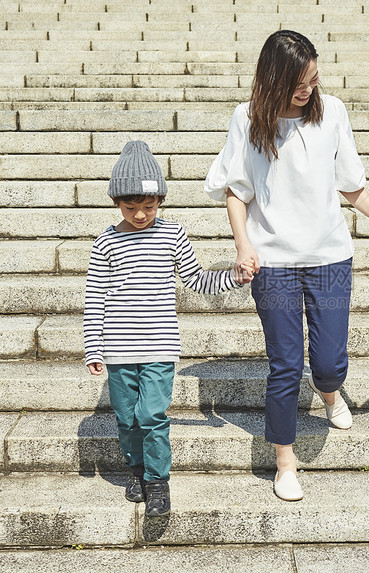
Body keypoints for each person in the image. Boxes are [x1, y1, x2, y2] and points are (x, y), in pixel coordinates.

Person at [205, 30, 369, 501]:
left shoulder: (332, 111)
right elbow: (236, 191)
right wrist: (242, 246)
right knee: (285, 363)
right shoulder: (247, 118)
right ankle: (285, 462)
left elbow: (351, 186)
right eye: (298, 82)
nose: (308, 89)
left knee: (330, 362)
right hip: (271, 259)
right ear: (273, 78)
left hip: (329, 256)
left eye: (313, 79)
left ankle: (331, 392)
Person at [84, 140, 254, 516]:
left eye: (149, 206)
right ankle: (137, 470)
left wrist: (235, 277)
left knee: (151, 416)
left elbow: (195, 279)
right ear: (116, 203)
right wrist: (93, 347)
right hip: (118, 349)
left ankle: (159, 481)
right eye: (131, 208)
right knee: (127, 418)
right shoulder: (105, 242)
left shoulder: (173, 234)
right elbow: (95, 297)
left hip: (160, 346)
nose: (141, 214)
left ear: (160, 201)